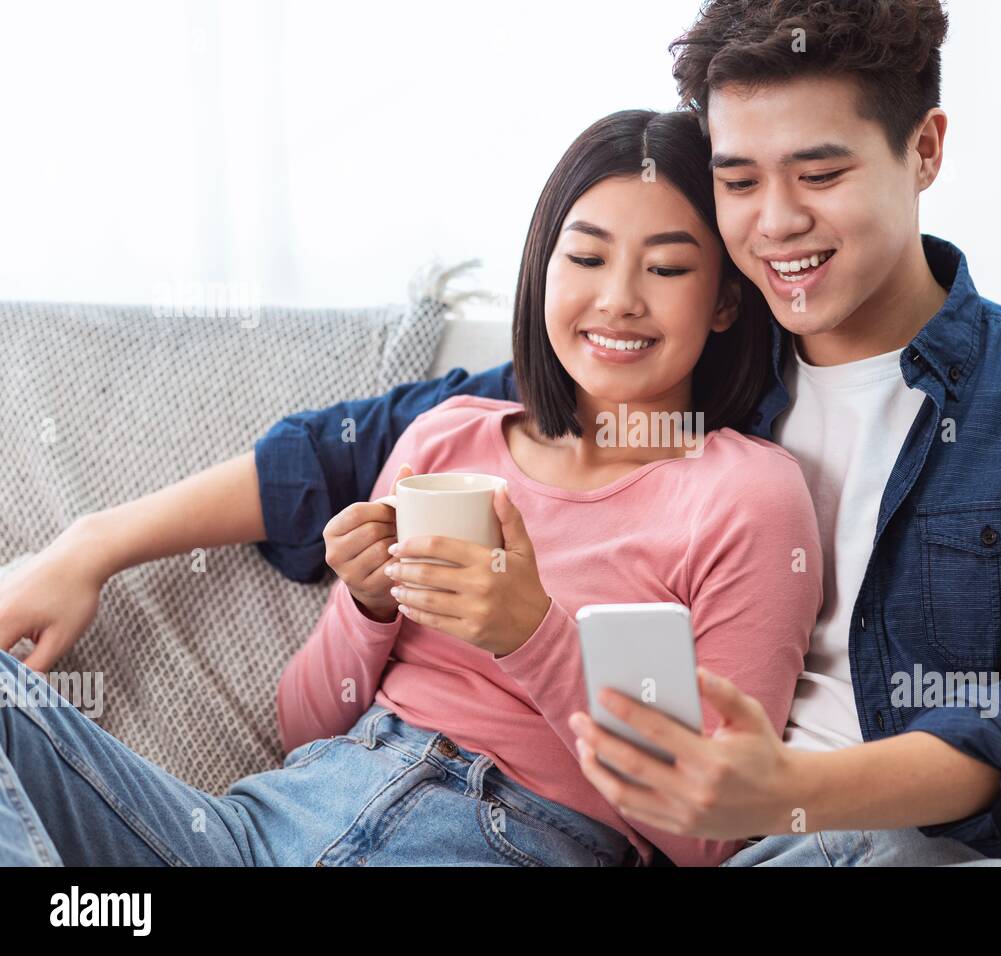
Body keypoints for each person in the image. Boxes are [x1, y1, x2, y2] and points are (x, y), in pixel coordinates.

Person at [0, 0, 1001, 868]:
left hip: (940, 836)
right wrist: (88, 546)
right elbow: (346, 449)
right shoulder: (695, 364)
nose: (775, 222)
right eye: (738, 178)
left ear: (923, 151)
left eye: (820, 173)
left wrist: (793, 789)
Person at [0, 109, 822, 867]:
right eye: (586, 256)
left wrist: (533, 633)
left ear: (724, 301)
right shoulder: (448, 436)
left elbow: (714, 836)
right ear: (543, 269)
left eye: (668, 267)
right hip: (259, 827)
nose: (618, 298)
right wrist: (369, 605)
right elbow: (303, 726)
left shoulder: (745, 497)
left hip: (509, 837)